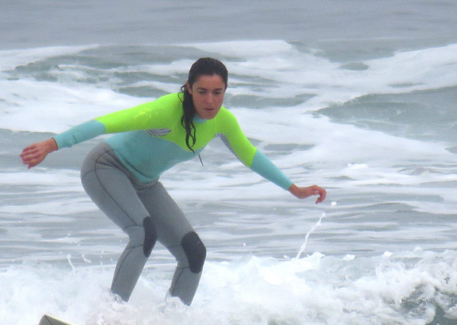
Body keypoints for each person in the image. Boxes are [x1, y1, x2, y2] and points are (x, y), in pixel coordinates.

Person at [20, 57, 326, 306]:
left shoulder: (223, 121)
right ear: (189, 89)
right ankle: (110, 315)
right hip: (107, 168)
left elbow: (250, 156)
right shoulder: (165, 110)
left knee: (194, 252)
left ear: (225, 91)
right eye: (202, 91)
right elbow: (104, 123)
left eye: (217, 92)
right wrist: (52, 144)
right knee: (144, 232)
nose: (210, 100)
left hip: (145, 182)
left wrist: (293, 188)